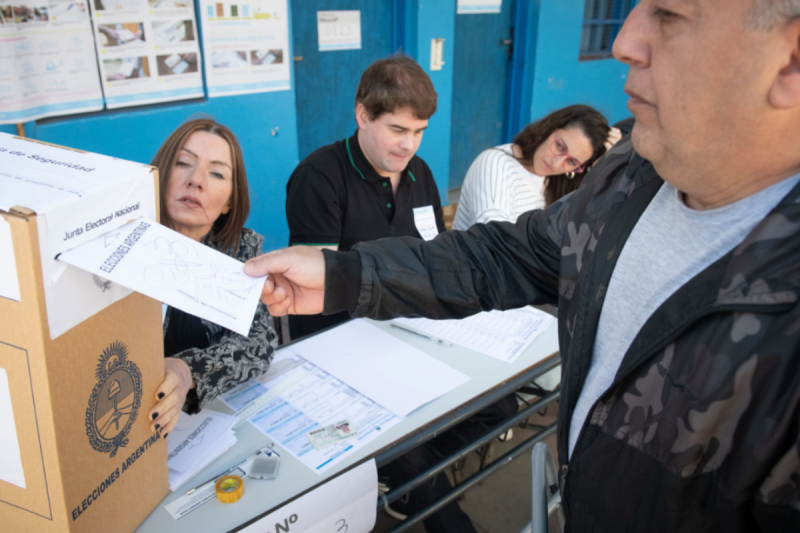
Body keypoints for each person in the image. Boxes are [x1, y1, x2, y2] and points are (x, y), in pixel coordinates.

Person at [244, 0, 800, 530]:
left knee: (482, 413)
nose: (623, 41)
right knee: (417, 451)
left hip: (414, 339)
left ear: (790, 62)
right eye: (397, 130)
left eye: (671, 14)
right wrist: (344, 275)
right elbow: (500, 253)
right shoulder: (629, 174)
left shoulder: (425, 174)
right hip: (363, 347)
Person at [285, 55, 445, 341]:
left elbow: (436, 253)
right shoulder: (319, 177)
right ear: (363, 116)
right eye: (397, 130)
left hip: (412, 327)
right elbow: (320, 280)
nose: (409, 145)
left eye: (419, 131)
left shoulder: (420, 172)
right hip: (336, 336)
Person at [146, 118, 278, 438]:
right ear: (160, 173)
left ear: (230, 200)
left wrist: (186, 370)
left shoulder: (239, 251)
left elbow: (258, 344)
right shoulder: (122, 244)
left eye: (216, 173)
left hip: (199, 428)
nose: (196, 181)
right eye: (183, 163)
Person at [452, 105, 617, 231]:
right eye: (560, 146)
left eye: (572, 162)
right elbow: (495, 240)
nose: (556, 163)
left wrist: (603, 169)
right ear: (550, 128)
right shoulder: (495, 164)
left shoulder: (558, 182)